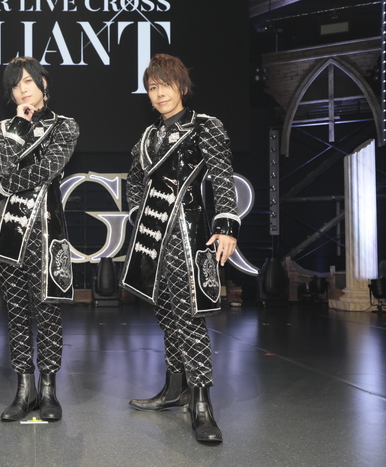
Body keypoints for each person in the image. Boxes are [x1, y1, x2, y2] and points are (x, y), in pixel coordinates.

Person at [121, 54, 239, 443]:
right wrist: (139, 213)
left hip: (190, 235)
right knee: (166, 315)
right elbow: (133, 180)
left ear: (182, 87)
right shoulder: (147, 137)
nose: (159, 94)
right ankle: (175, 389)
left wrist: (226, 227)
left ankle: (201, 404)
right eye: (152, 87)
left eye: (165, 85)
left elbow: (222, 176)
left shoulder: (205, 126)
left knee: (189, 318)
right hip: (152, 238)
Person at [0, 57, 79, 422]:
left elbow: (47, 170)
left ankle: (49, 390)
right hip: (8, 232)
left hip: (47, 230)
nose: (22, 89)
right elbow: (3, 163)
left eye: (28, 81)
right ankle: (24, 389)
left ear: (43, 83)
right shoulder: (0, 130)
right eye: (15, 85)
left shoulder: (65, 126)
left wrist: (2, 187)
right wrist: (21, 125)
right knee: (16, 312)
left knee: (49, 310)